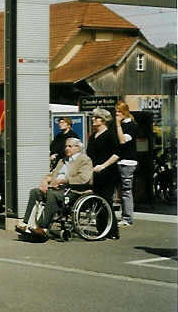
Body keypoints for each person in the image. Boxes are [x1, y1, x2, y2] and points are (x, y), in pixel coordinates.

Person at [16, 137, 93, 238]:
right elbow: (53, 174)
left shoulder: (84, 160)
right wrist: (45, 180)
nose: (66, 148)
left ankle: (43, 228)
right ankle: (26, 224)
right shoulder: (62, 160)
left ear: (78, 148)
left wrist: (63, 181)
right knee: (35, 192)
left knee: (52, 195)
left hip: (74, 191)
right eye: (66, 146)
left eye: (70, 146)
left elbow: (84, 178)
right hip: (57, 188)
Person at [86, 108, 120, 239]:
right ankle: (101, 229)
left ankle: (113, 231)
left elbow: (116, 154)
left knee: (106, 200)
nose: (93, 119)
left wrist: (103, 166)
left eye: (96, 117)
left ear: (103, 120)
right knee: (96, 201)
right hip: (95, 173)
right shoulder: (92, 137)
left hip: (108, 173)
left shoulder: (110, 135)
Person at [115, 101, 138, 227]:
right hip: (117, 160)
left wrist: (118, 125)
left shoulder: (132, 126)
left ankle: (127, 218)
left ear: (125, 112)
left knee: (126, 191)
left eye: (119, 112)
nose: (117, 114)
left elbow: (122, 140)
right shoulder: (119, 125)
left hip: (127, 162)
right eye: (116, 112)